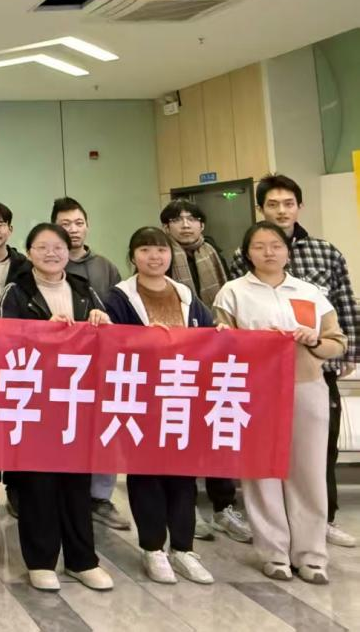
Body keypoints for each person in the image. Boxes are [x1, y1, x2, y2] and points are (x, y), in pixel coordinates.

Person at [229, 174, 359, 549]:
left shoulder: (325, 251)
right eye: (273, 204)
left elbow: (344, 302)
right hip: (261, 377)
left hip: (313, 368)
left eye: (288, 203)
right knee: (266, 452)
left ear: (299, 206)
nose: (282, 211)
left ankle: (321, 523)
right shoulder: (243, 256)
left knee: (318, 451)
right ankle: (275, 531)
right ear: (261, 208)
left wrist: (349, 352)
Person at [214, 221, 346, 583]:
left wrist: (313, 339)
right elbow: (221, 343)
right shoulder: (232, 292)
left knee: (309, 471)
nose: (268, 252)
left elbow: (337, 342)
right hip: (254, 390)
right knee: (261, 471)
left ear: (288, 251)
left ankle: (311, 555)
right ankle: (273, 553)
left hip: (306, 386)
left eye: (275, 245)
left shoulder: (309, 292)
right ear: (247, 253)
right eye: (259, 246)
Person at [0, 223, 114, 592]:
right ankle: (41, 561)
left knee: (77, 484)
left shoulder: (83, 289)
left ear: (69, 251)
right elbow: (4, 340)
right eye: (42, 247)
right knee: (38, 485)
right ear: (29, 252)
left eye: (58, 247)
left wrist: (102, 322)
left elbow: (108, 340)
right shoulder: (17, 291)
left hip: (76, 400)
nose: (51, 253)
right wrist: (43, 331)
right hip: (33, 400)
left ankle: (83, 560)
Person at [103, 227, 216, 585]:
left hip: (181, 395)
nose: (154, 257)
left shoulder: (185, 295)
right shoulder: (118, 298)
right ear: (132, 256)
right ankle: (153, 547)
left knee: (183, 476)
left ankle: (183, 548)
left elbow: (207, 336)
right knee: (146, 475)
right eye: (146, 250)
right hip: (141, 398)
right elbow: (110, 344)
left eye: (161, 250)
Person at [158, 199, 239, 541]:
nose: (186, 224)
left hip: (216, 356)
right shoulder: (160, 259)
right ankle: (187, 507)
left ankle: (224, 506)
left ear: (202, 225)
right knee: (184, 435)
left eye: (192, 218)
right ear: (167, 227)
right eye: (177, 220)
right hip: (178, 362)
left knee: (218, 430)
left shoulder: (215, 255)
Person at [51, 197, 128, 531]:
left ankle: (100, 498)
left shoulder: (105, 267)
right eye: (65, 224)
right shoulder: (45, 262)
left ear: (87, 225)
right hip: (55, 369)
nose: (73, 229)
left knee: (103, 430)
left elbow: (118, 312)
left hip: (99, 364)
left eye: (78, 223)